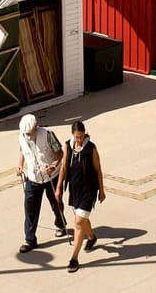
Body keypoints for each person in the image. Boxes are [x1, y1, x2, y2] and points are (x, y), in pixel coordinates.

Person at [16, 113, 67, 253]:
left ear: (35, 127)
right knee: (30, 209)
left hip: (52, 176)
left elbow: (60, 153)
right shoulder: (22, 136)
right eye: (25, 133)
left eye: (30, 133)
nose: (28, 136)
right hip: (33, 178)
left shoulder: (48, 134)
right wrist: (20, 165)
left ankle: (60, 224)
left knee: (56, 203)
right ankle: (30, 240)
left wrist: (53, 165)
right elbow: (22, 150)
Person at [58, 120, 103, 271]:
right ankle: (92, 237)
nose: (79, 140)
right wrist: (59, 188)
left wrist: (101, 190)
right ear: (72, 135)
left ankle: (74, 259)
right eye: (77, 137)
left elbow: (98, 170)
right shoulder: (68, 147)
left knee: (78, 221)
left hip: (88, 191)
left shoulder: (91, 148)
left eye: (82, 137)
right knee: (83, 219)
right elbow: (63, 168)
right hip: (75, 190)